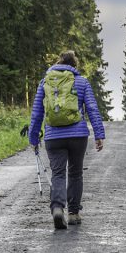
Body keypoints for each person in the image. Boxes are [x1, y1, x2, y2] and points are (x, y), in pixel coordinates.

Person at [28, 51, 105, 229]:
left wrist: (33, 138)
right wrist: (99, 134)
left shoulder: (45, 82)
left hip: (53, 136)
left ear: (58, 63)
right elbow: (92, 108)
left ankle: (57, 208)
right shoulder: (82, 81)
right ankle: (73, 213)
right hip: (78, 134)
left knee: (58, 173)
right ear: (74, 65)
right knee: (76, 173)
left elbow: (37, 113)